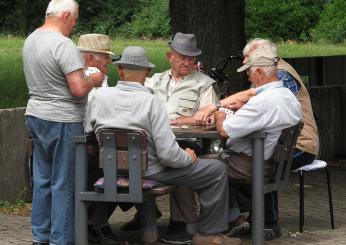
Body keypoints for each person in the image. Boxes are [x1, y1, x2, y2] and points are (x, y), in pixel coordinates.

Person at [88, 46, 241, 245]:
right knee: (217, 169)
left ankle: (158, 225)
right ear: (148, 73)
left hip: (111, 169)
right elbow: (168, 155)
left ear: (120, 71)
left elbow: (89, 131)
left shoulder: (99, 97)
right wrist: (188, 157)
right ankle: (207, 233)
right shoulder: (152, 102)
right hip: (150, 170)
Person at [196, 46, 301, 241]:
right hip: (272, 164)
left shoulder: (262, 101)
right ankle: (232, 219)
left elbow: (225, 130)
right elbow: (266, 119)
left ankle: (210, 230)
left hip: (251, 165)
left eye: (250, 73)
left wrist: (219, 113)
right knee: (211, 163)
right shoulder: (288, 97)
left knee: (195, 166)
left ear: (260, 72)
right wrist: (243, 109)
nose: (248, 78)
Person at [123, 32, 219, 244]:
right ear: (170, 56)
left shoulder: (204, 84)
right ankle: (146, 217)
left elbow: (208, 117)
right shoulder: (154, 80)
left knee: (179, 159)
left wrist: (188, 120)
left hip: (187, 141)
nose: (187, 62)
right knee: (133, 156)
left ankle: (183, 223)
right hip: (153, 142)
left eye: (191, 58)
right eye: (182, 56)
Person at [22, 1, 104, 245]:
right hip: (63, 120)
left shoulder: (31, 40)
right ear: (66, 15)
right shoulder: (63, 44)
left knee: (43, 181)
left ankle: (41, 237)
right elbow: (78, 89)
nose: (75, 24)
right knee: (64, 184)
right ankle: (60, 240)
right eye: (75, 19)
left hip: (36, 115)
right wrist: (95, 78)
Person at [240, 38, 319, 240]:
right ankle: (251, 218)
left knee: (260, 164)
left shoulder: (280, 75)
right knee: (245, 159)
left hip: (301, 144)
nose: (244, 62)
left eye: (248, 57)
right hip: (282, 142)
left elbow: (269, 106)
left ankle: (268, 222)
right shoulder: (270, 73)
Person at [78, 33, 120, 245]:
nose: (109, 62)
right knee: (120, 169)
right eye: (105, 57)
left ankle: (96, 223)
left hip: (87, 140)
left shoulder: (84, 74)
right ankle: (94, 224)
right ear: (91, 58)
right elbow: (99, 115)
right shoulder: (93, 76)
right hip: (87, 142)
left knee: (119, 164)